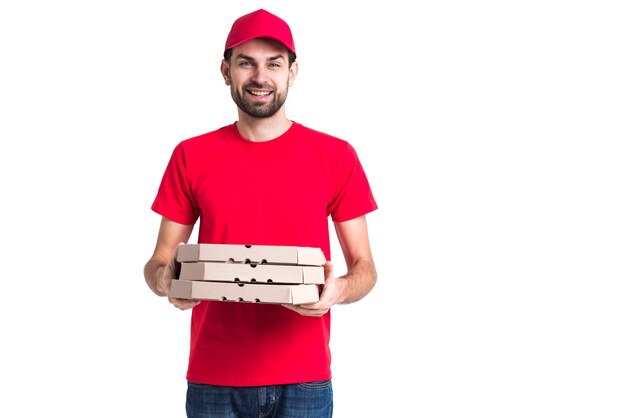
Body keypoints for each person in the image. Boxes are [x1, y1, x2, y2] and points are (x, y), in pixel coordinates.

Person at [143, 8, 378, 418]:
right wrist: (168, 282)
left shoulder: (336, 156)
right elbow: (158, 263)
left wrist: (336, 291)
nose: (260, 76)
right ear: (225, 70)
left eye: (274, 63)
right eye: (246, 63)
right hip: (214, 378)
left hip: (305, 378)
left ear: (292, 72)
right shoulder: (190, 155)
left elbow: (365, 269)